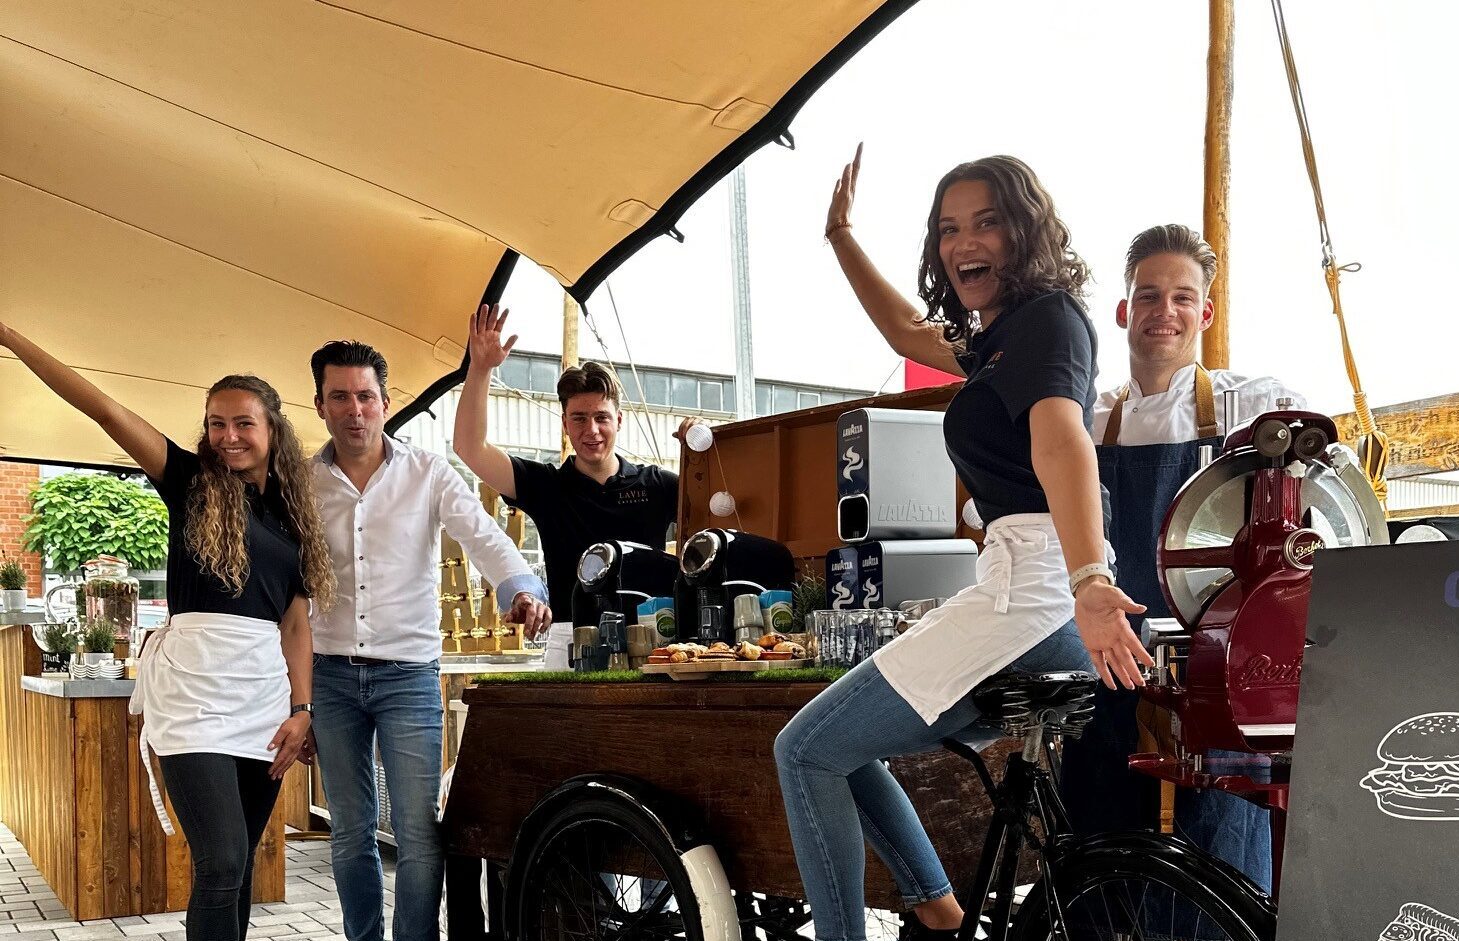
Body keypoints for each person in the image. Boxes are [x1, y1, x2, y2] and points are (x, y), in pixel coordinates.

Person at [773, 150, 1153, 941]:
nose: (962, 241)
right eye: (948, 228)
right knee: (841, 749)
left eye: (985, 222)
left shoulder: (1047, 319)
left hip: (1033, 591)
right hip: (1033, 593)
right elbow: (904, 330)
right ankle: (941, 912)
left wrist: (1088, 578)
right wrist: (841, 236)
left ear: (1023, 233)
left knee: (803, 750)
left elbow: (1062, 444)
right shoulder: (1002, 338)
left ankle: (905, 921)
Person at [1, 322, 330, 941]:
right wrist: (13, 338)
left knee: (239, 871)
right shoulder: (191, 483)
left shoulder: (293, 515)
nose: (227, 436)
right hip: (194, 697)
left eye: (242, 423)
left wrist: (302, 709)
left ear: (272, 430)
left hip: (261, 700)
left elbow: (295, 624)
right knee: (221, 861)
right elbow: (102, 408)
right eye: (215, 423)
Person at [1060, 223, 1305, 894]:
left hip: (1213, 671)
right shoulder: (1087, 418)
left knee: (1216, 864)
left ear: (1204, 311)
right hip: (1104, 663)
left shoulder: (1250, 403)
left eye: (1179, 297)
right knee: (1099, 855)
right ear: (1122, 311)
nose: (1161, 312)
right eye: (1147, 295)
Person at [306, 340, 550, 941]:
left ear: (386, 403)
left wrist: (519, 588)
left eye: (366, 396)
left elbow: (484, 535)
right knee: (351, 832)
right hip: (329, 674)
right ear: (320, 405)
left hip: (408, 676)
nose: (355, 409)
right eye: (341, 397)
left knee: (418, 833)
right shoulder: (301, 483)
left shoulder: (429, 472)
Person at [452, 306, 690, 669]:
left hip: (652, 637)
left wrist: (699, 454)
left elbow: (727, 506)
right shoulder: (546, 485)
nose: (591, 430)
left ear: (618, 420)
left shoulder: (657, 484)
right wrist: (481, 368)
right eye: (579, 418)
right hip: (571, 638)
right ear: (565, 423)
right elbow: (470, 448)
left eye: (601, 417)